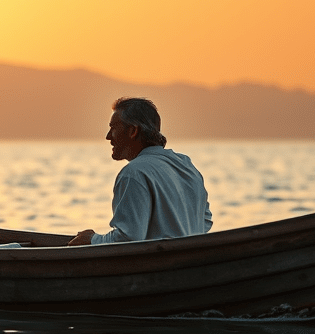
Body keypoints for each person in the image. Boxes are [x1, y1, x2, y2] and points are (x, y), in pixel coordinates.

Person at [69, 97, 212, 245]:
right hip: (188, 261)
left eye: (113, 128)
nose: (108, 136)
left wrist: (92, 240)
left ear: (133, 131)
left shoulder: (133, 173)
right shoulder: (186, 166)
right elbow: (205, 221)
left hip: (160, 264)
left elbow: (127, 239)